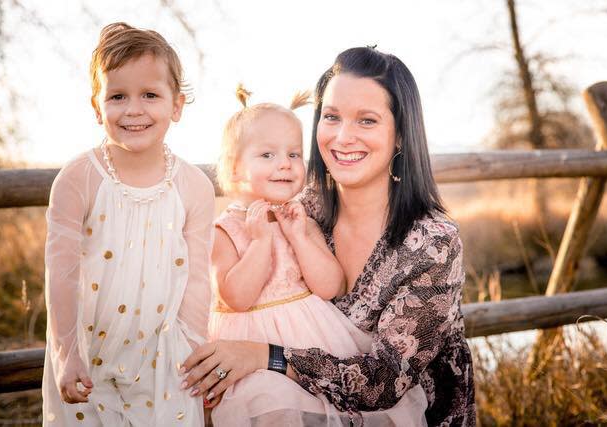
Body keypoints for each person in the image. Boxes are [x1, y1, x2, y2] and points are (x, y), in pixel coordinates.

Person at [181, 47, 476, 427]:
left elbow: (384, 383)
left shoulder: (431, 242)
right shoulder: (299, 210)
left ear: (401, 135)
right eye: (331, 117)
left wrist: (263, 355)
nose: (342, 136)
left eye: (366, 121)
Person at [204, 85, 428, 426]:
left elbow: (330, 286)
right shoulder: (226, 230)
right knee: (269, 405)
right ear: (234, 169)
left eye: (294, 154)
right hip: (247, 342)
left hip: (311, 339)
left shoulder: (300, 219)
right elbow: (235, 297)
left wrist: (299, 238)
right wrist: (261, 243)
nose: (284, 164)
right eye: (267, 156)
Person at [41, 22, 214, 426]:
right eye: (118, 96)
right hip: (88, 351)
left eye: (150, 95)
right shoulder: (78, 178)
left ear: (176, 105)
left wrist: (191, 346)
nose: (133, 109)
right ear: (97, 107)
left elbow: (198, 277)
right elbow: (60, 272)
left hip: (163, 353)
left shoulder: (194, 186)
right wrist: (67, 354)